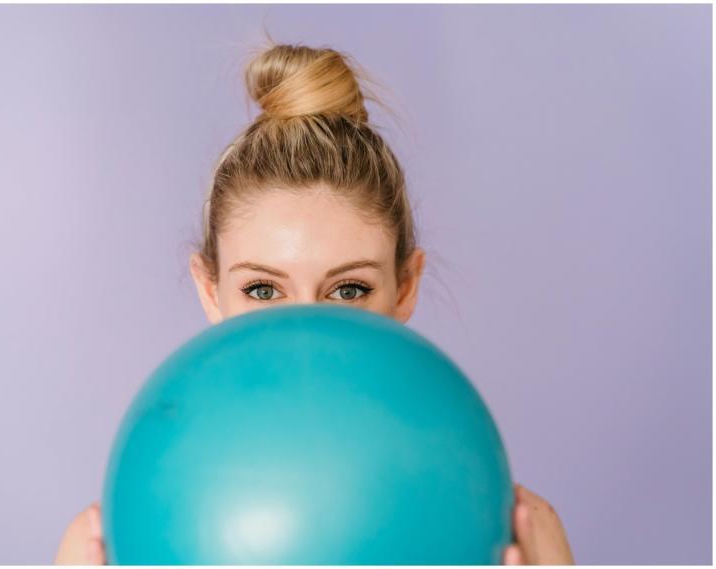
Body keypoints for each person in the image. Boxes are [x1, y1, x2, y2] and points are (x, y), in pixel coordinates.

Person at [55, 41, 575, 565]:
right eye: (262, 290)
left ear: (406, 286)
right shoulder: (122, 532)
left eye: (348, 290)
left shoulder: (507, 528)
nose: (304, 333)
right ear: (210, 290)